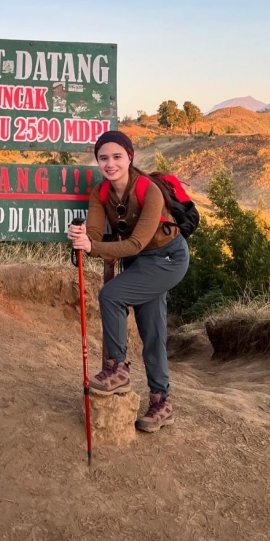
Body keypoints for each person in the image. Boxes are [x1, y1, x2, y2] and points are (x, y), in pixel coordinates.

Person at [67, 130, 190, 433]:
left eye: (117, 157)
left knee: (111, 295)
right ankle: (162, 404)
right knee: (152, 330)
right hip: (140, 262)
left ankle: (117, 369)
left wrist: (92, 248)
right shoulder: (101, 192)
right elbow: (95, 234)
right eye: (104, 158)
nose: (110, 164)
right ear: (98, 161)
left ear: (130, 157)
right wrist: (84, 238)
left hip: (167, 259)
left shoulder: (150, 191)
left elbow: (135, 243)